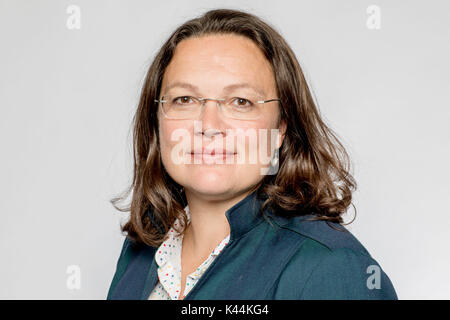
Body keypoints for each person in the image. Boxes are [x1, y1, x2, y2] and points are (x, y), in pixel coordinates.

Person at [107, 8, 397, 300]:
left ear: (281, 126)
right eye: (184, 99)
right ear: (156, 119)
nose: (208, 126)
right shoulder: (142, 250)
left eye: (241, 101)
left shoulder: (330, 267)